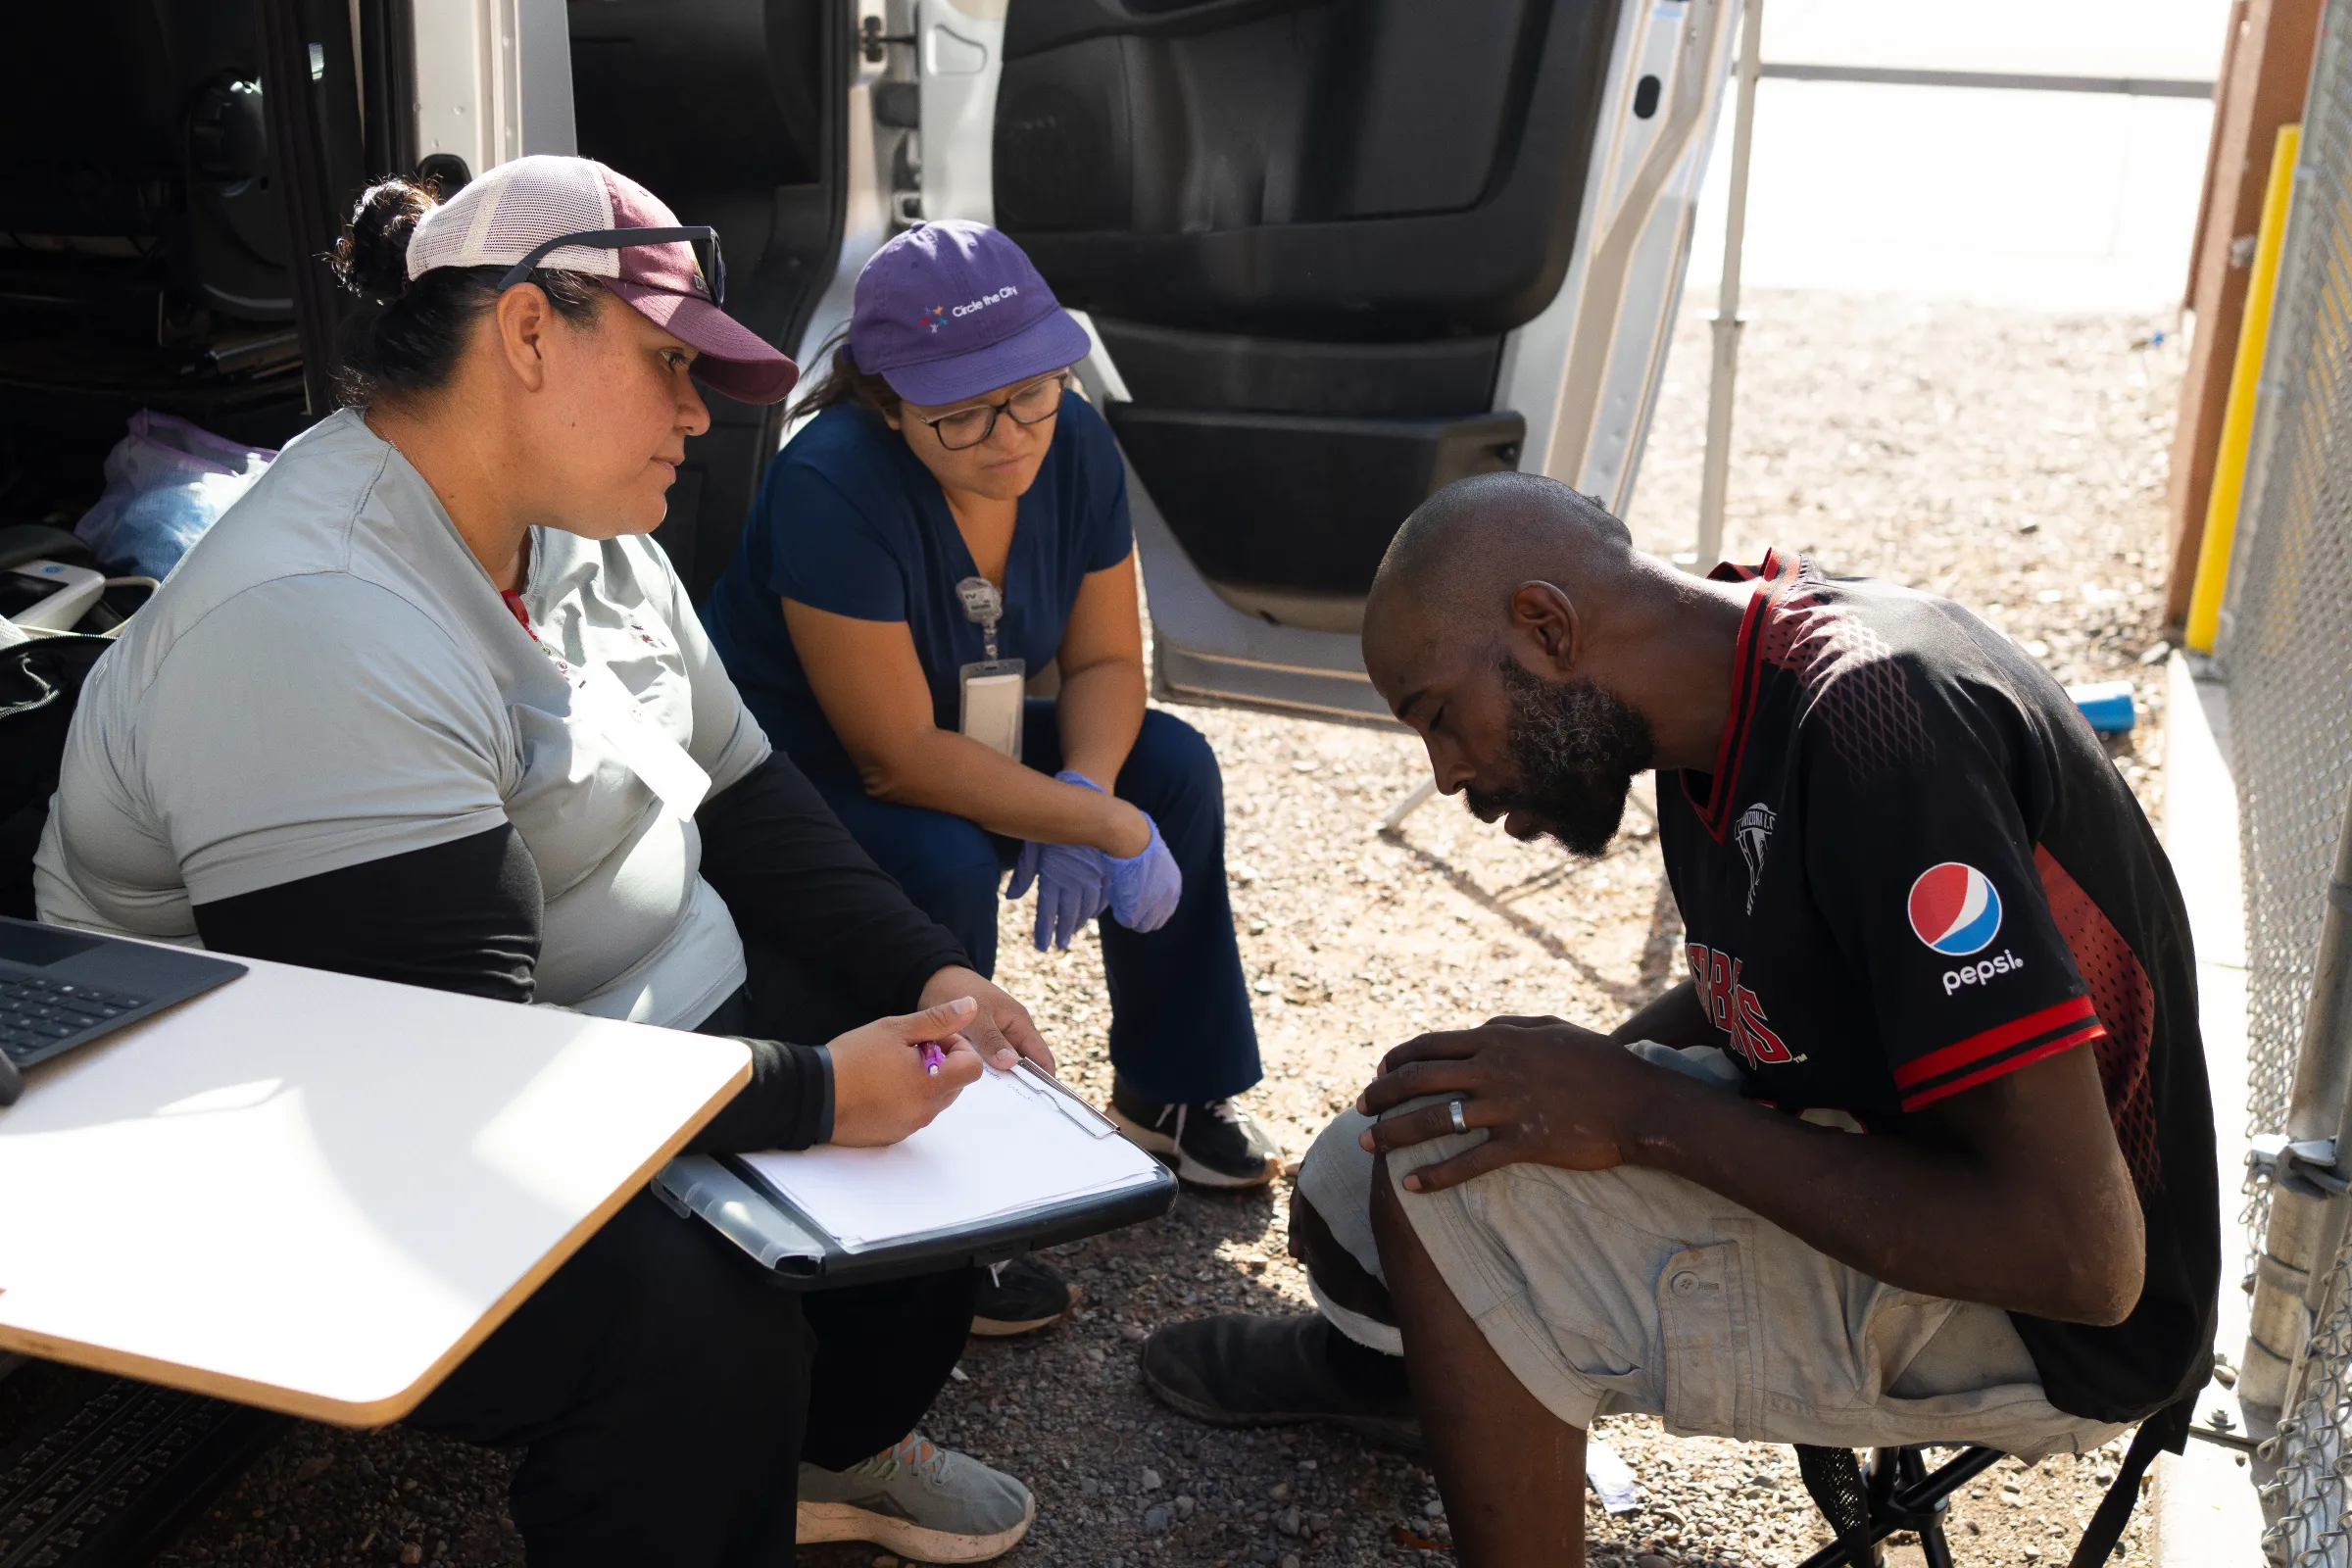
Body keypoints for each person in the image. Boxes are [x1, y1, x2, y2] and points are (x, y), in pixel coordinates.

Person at [35, 155, 1045, 1568]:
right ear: (524, 334)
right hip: (319, 1134)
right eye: (665, 364)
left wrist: (930, 969)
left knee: (927, 1002)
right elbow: (454, 1075)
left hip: (575, 1029)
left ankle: (831, 1448)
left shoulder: (581, 531)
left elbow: (748, 791)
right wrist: (819, 1094)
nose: (698, 414)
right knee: (688, 1314)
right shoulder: (315, 617)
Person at [1140, 472, 2220, 1565]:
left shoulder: (1883, 731)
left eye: (1437, 715)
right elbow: (1788, 974)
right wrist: (1562, 1094)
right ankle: (1408, 1381)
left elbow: (2083, 1258)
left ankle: (1469, 1358)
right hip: (1895, 1149)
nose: (1449, 769)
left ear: (1548, 625)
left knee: (1459, 1204)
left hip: (2052, 1320)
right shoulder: (1719, 685)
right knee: (1392, 1144)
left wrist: (1635, 1111)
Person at [701, 220, 1281, 1197]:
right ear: (888, 403)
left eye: (1028, 393)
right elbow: (894, 757)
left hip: (965, 733)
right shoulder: (830, 480)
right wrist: (1094, 819)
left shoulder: (1078, 442)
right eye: (960, 414)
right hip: (808, 766)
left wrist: (1091, 780)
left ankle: (1172, 1091)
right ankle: (942, 1155)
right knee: (945, 859)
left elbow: (1102, 658)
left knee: (1172, 768)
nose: (1007, 434)